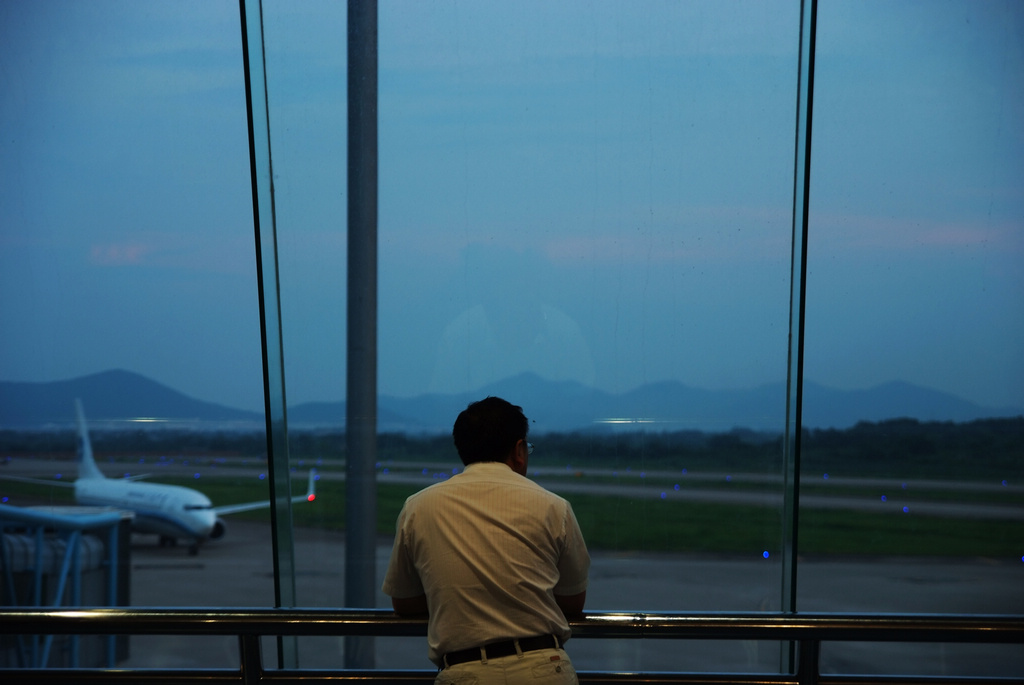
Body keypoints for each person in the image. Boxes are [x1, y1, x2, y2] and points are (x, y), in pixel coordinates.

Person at [382, 396, 591, 684]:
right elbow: (573, 601)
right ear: (519, 450)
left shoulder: (418, 507)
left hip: (464, 671)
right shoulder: (554, 506)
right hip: (543, 667)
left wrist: (455, 595)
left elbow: (403, 603)